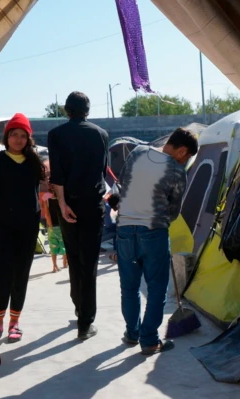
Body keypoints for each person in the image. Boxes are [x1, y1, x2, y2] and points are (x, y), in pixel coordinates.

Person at [111, 128, 198, 355]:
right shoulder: (177, 171)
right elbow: (173, 210)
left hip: (124, 231)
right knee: (157, 288)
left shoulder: (137, 152)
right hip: (154, 232)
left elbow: (123, 185)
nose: (185, 161)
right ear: (182, 150)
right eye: (187, 157)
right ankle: (149, 340)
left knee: (129, 287)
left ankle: (132, 333)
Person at [0, 113, 45, 346]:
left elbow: (40, 190)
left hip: (28, 228)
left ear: (28, 139)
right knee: (2, 275)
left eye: (23, 135)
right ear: (7, 136)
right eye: (14, 134)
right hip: (3, 227)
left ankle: (15, 322)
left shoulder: (34, 162)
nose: (18, 139)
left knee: (21, 275)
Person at [47, 91, 110, 340]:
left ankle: (79, 307)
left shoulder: (56, 135)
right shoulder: (102, 134)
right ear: (88, 110)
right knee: (90, 261)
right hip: (93, 204)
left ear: (66, 110)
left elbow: (58, 175)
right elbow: (102, 171)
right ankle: (85, 321)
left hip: (69, 205)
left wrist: (61, 204)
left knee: (74, 258)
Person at [40, 160, 68, 273]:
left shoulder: (47, 196)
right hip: (59, 224)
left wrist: (49, 225)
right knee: (63, 244)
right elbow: (46, 211)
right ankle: (62, 263)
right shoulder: (60, 195)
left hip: (54, 224)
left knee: (54, 246)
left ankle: (56, 265)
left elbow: (46, 211)